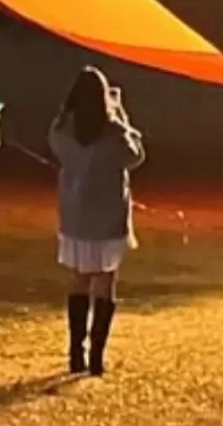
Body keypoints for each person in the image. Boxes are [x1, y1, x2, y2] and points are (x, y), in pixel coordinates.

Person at [48, 65, 144, 376]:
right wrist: (122, 116)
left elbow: (55, 146)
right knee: (105, 282)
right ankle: (96, 357)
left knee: (79, 279)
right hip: (108, 217)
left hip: (76, 216)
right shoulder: (113, 132)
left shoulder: (62, 129)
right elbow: (136, 156)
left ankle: (76, 350)